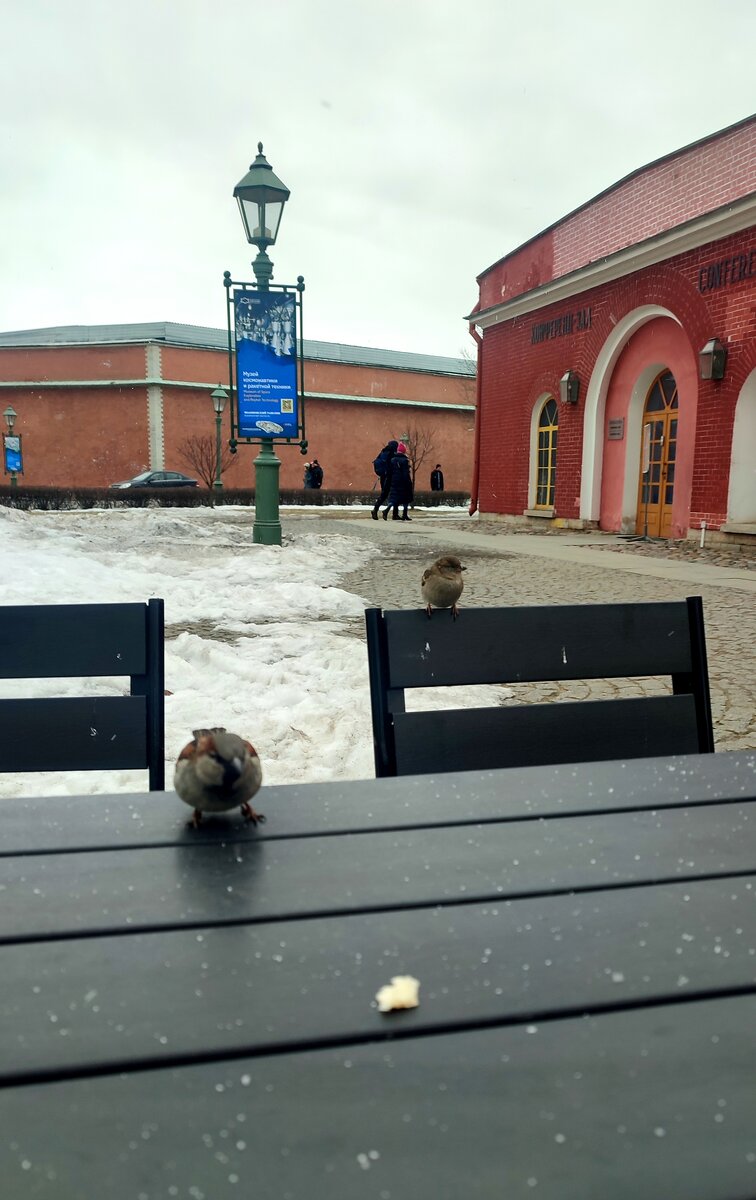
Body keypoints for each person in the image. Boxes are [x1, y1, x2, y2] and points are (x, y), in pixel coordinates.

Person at [382, 441, 413, 522]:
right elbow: (405, 473)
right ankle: (404, 514)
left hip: (394, 481)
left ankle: (387, 509)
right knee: (406, 497)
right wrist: (408, 482)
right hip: (403, 482)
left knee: (394, 498)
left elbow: (390, 471)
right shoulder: (404, 460)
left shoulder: (393, 460)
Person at [371, 439, 398, 519]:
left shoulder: (383, 452)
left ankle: (375, 509)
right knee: (394, 494)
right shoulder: (392, 453)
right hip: (390, 477)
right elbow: (392, 465)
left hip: (383, 477)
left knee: (384, 495)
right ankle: (394, 514)